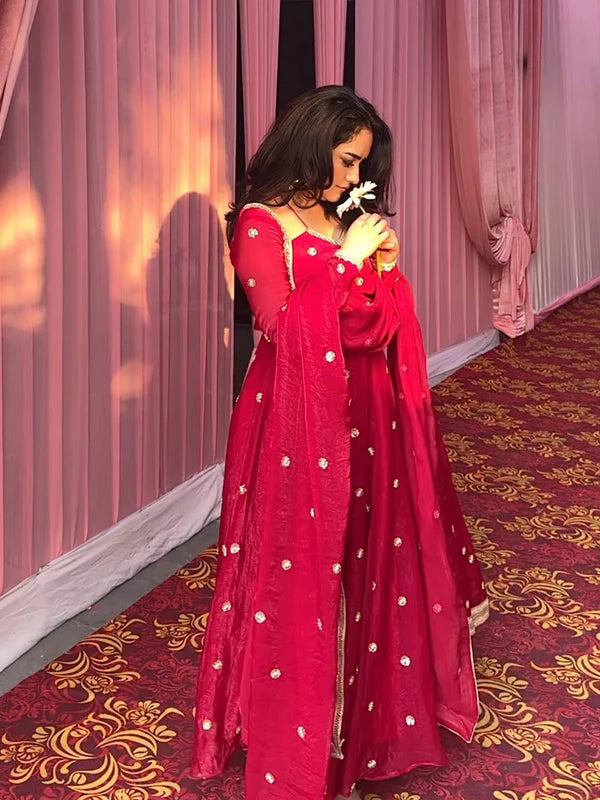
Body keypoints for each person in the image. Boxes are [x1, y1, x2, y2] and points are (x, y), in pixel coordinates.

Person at [192, 86, 488, 800]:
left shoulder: (341, 219)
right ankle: (304, 742)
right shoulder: (260, 225)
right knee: (303, 567)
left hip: (371, 415)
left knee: (367, 562)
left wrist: (382, 270)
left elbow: (377, 324)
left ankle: (361, 724)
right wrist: (351, 263)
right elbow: (285, 328)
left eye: (361, 165)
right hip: (299, 424)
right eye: (348, 160)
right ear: (311, 142)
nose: (355, 177)